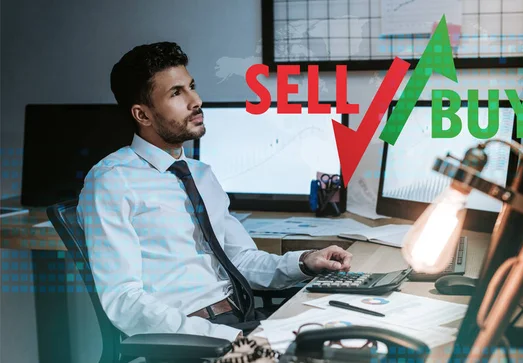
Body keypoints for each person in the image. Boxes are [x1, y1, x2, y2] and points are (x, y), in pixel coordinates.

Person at [77, 41, 353, 342]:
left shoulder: (200, 174)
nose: (196, 100)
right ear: (142, 116)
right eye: (176, 93)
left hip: (242, 320)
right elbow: (124, 302)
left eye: (191, 87)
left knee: (353, 342)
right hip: (191, 344)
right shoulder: (111, 182)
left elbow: (241, 260)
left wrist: (305, 261)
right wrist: (224, 338)